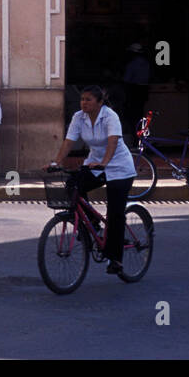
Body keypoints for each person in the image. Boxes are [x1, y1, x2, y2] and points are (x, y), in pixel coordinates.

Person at [48, 86, 136, 275]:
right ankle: (93, 224)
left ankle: (115, 259)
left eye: (88, 99)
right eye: (82, 99)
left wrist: (105, 162)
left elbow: (113, 141)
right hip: (96, 165)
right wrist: (56, 162)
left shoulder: (110, 116)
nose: (84, 103)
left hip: (119, 167)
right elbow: (69, 141)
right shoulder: (78, 117)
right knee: (73, 185)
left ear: (99, 102)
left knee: (115, 213)